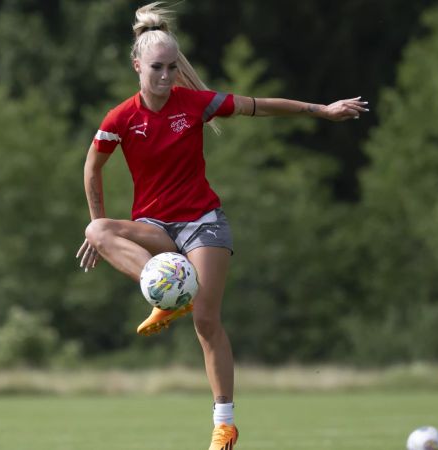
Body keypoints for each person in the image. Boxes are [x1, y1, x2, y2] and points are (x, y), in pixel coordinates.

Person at [74, 3, 368, 449]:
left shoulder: (194, 104)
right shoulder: (121, 119)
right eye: (157, 68)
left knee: (207, 320)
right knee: (95, 232)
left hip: (202, 223)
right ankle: (162, 291)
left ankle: (224, 424)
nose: (166, 76)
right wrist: (101, 225)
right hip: (155, 227)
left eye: (173, 68)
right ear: (137, 66)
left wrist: (320, 110)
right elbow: (92, 169)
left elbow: (260, 106)